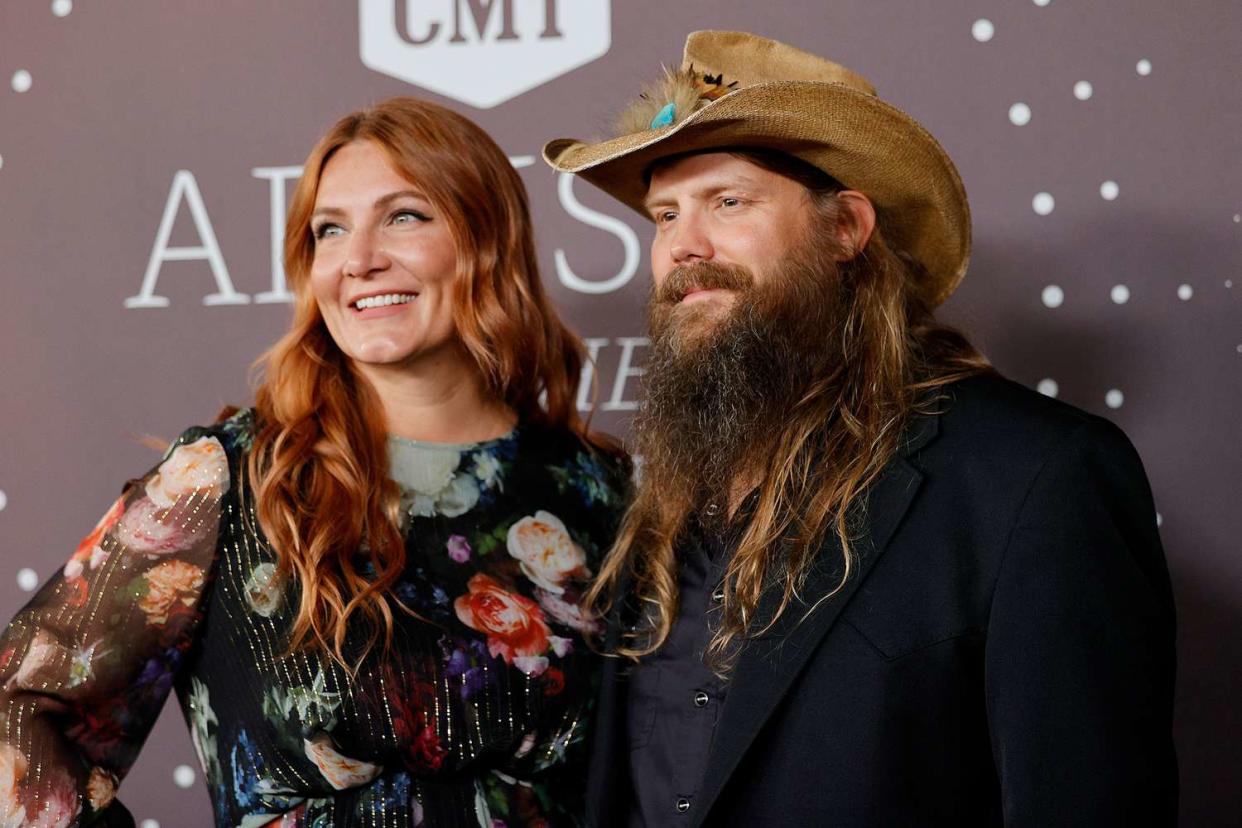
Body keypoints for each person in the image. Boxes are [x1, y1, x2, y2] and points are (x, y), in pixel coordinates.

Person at [543, 30, 1177, 827]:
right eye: (665, 214)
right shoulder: (656, 508)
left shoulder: (1036, 477)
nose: (684, 247)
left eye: (728, 202)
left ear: (846, 228)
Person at [0, 97, 629, 827]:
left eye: (405, 216)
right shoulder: (232, 479)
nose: (360, 260)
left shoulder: (595, 492)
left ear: (488, 236)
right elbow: (20, 710)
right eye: (331, 230)